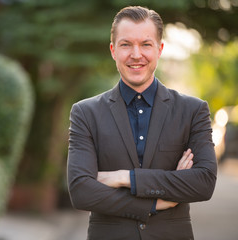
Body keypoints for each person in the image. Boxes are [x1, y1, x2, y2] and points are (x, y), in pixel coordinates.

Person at [67, 6, 217, 240]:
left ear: (160, 49)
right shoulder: (85, 113)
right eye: (126, 44)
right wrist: (155, 203)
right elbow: (81, 191)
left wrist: (124, 177)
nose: (136, 54)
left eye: (146, 44)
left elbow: (204, 182)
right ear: (113, 51)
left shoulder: (193, 110)